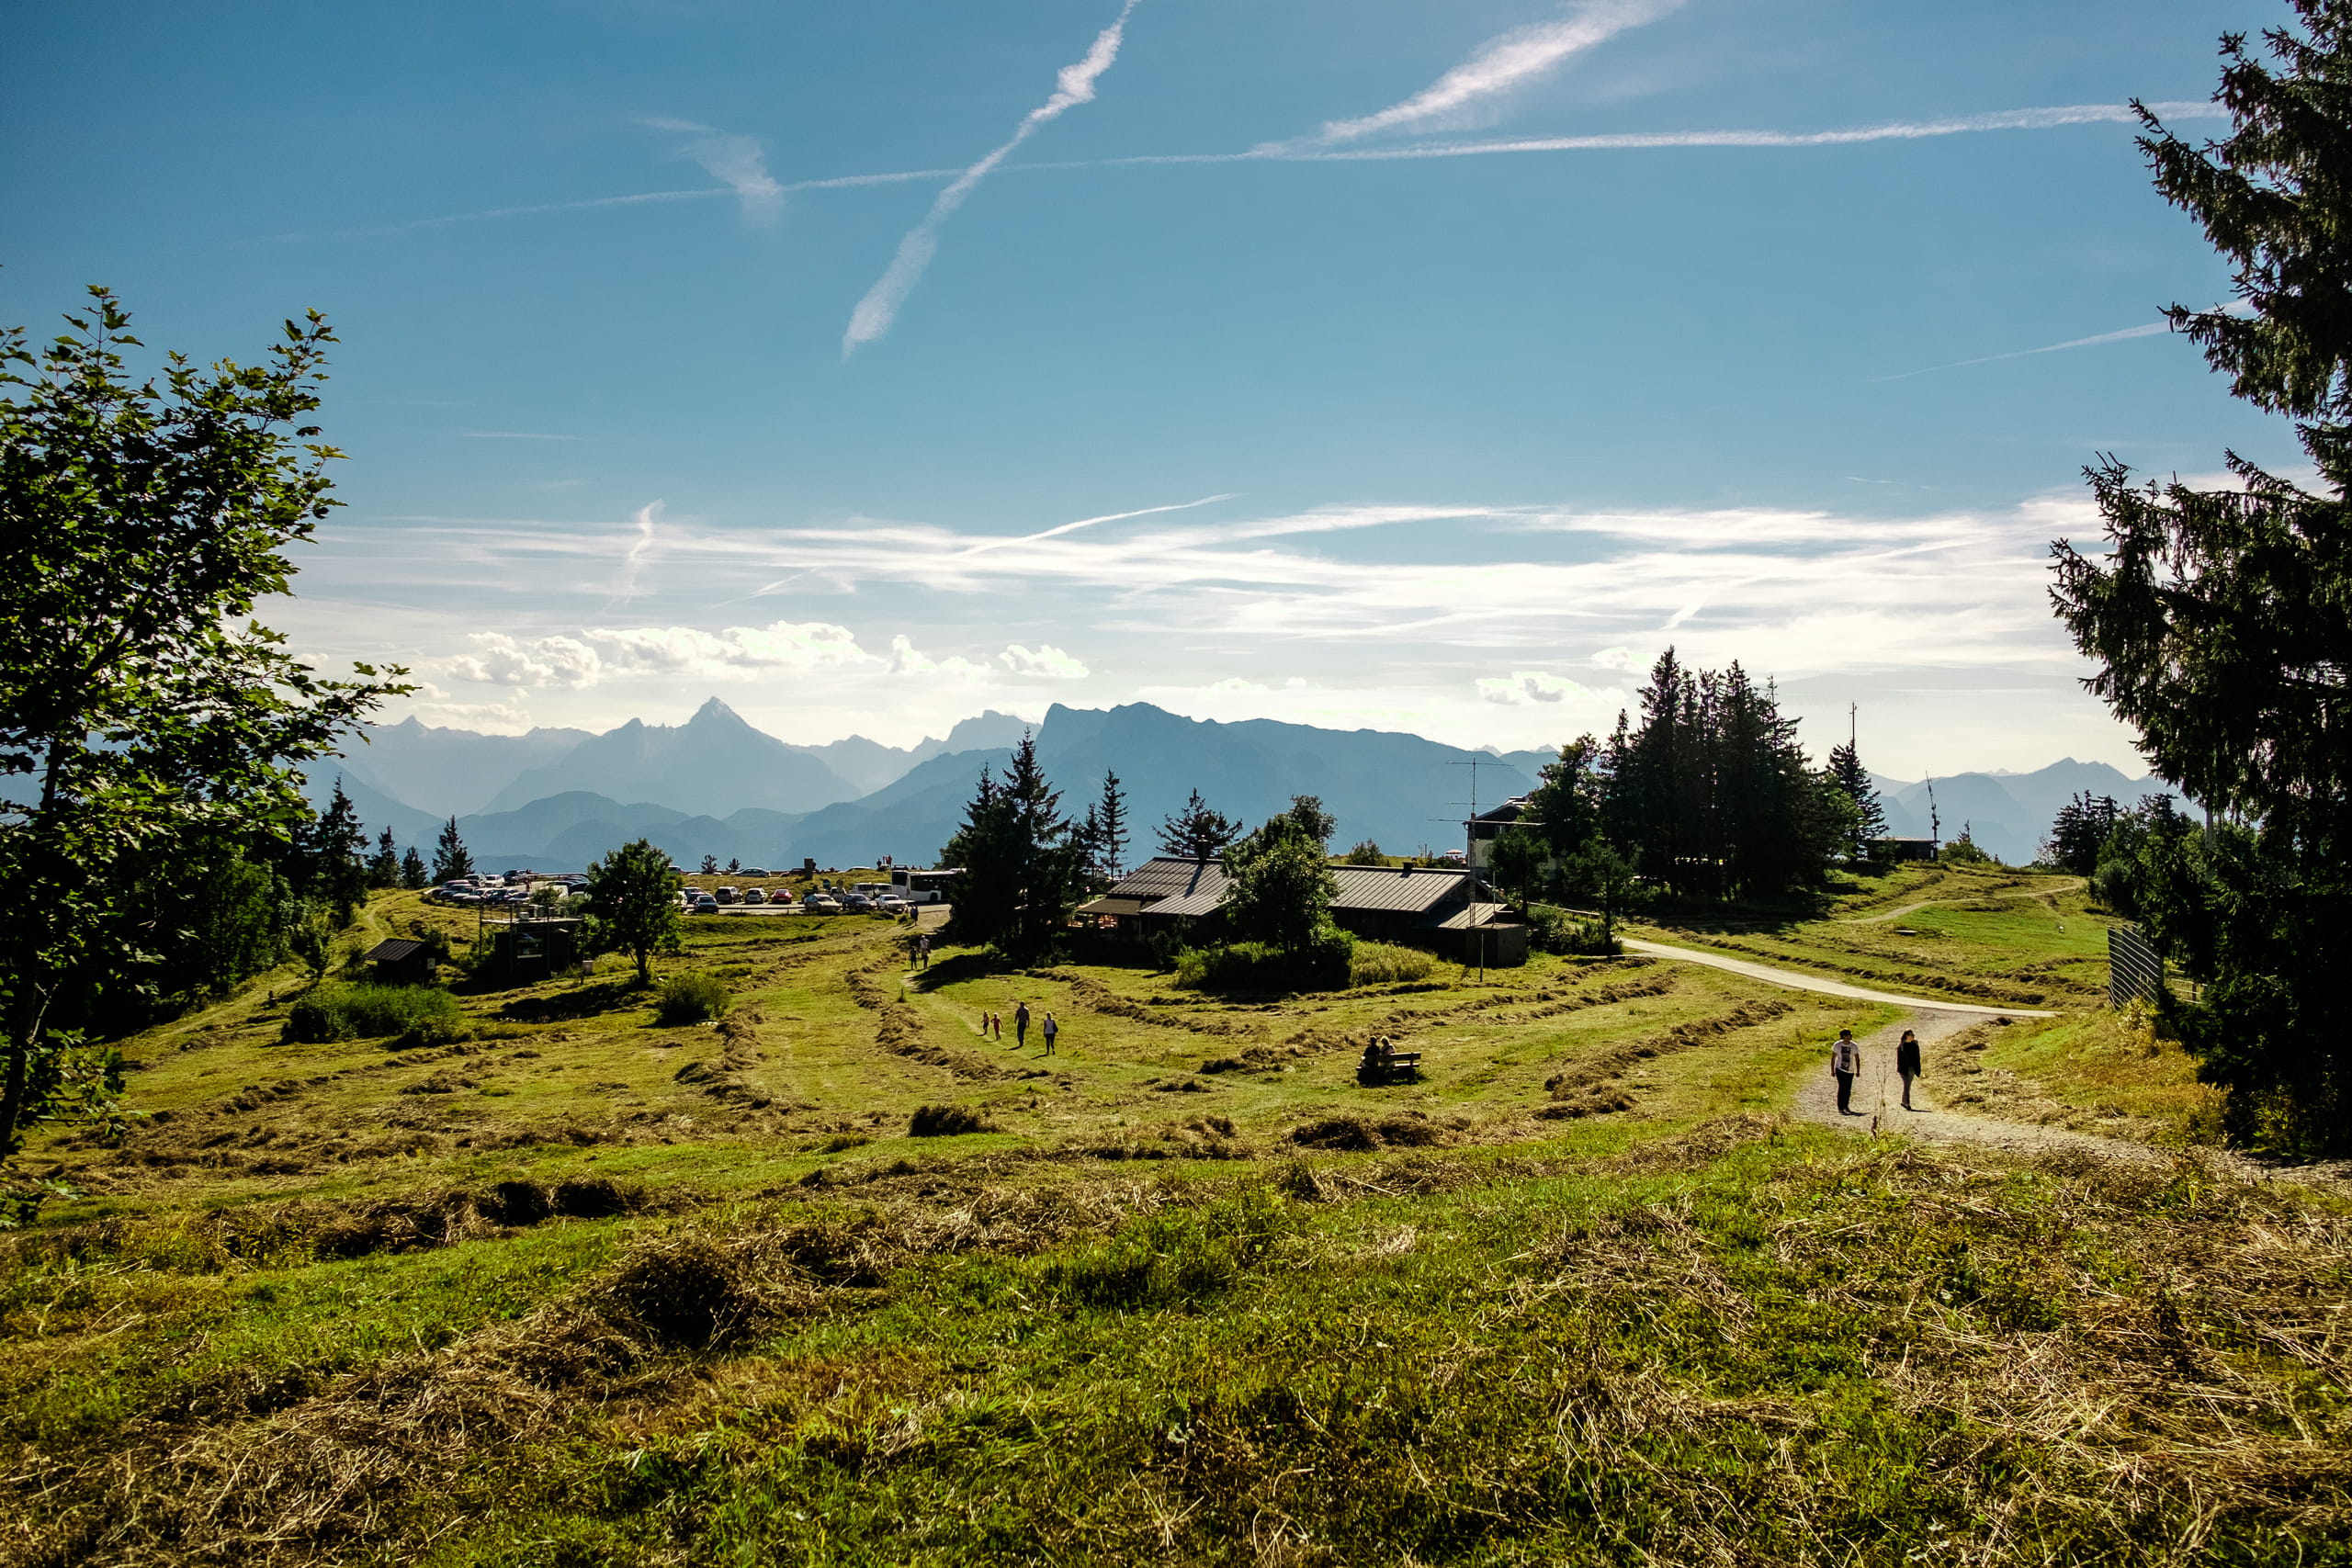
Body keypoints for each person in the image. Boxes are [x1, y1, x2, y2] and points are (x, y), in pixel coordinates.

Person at [1830, 1028, 1863, 1116]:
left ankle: (1846, 1105)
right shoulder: (1837, 1045)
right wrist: (1832, 1070)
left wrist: (1858, 1070)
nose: (1851, 1036)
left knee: (1848, 1089)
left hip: (1850, 1070)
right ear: (1844, 1036)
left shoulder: (1854, 1046)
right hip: (1839, 1069)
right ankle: (1840, 1107)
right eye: (1849, 1034)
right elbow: (1833, 1058)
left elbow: (1857, 1058)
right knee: (1842, 1087)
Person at [1896, 1028, 1923, 1111]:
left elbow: (1917, 1057)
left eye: (1913, 1035)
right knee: (1907, 1084)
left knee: (1907, 1086)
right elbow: (1899, 1060)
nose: (1913, 1036)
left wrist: (1917, 1069)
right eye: (1911, 1035)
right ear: (1906, 1036)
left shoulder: (1914, 1045)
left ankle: (1904, 1101)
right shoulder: (1901, 1047)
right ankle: (1907, 1103)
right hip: (1903, 1069)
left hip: (1911, 1069)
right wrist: (1901, 1069)